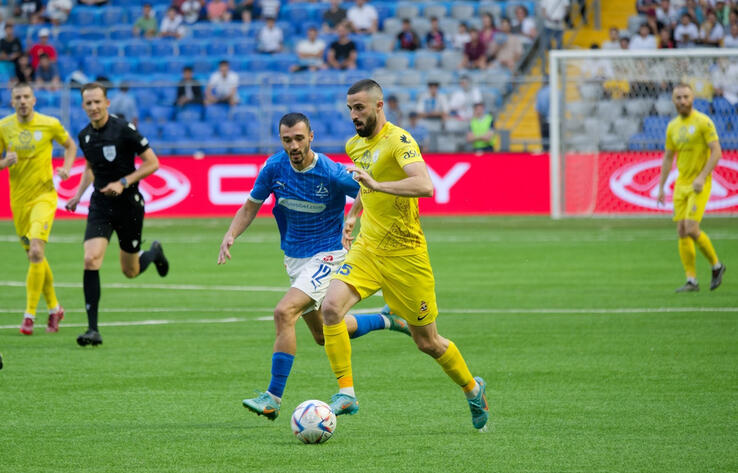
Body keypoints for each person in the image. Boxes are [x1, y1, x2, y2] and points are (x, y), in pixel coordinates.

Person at [319, 79, 489, 431]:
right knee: (330, 308)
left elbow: (424, 185)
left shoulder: (400, 141)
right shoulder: (354, 145)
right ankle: (346, 392)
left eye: (360, 108)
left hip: (406, 256)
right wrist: (353, 216)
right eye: (350, 108)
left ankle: (473, 389)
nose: (354, 115)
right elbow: (367, 185)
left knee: (428, 342)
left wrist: (379, 185)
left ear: (379, 106)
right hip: (368, 248)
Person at [218, 112, 411, 421]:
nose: (293, 145)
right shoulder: (274, 168)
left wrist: (353, 219)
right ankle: (389, 321)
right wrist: (231, 234)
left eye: (298, 138)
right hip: (295, 260)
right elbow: (250, 206)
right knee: (324, 334)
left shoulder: (331, 173)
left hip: (328, 256)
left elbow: (367, 190)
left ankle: (272, 398)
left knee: (284, 312)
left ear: (311, 137)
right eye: (286, 140)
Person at [65, 82, 170, 346]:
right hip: (101, 205)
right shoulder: (84, 135)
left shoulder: (124, 130)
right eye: (88, 103)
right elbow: (90, 166)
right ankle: (92, 330)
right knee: (91, 259)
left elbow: (152, 163)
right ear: (83, 106)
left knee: (130, 271)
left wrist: (124, 182)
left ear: (107, 103)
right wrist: (78, 195)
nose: (93, 107)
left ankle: (154, 252)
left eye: (97, 102)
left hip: (129, 205)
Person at [0, 83, 76, 336]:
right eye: (17, 97)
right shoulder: (4, 127)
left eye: (26, 97)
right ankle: (55, 308)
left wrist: (66, 167)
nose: (22, 101)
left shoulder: (49, 124)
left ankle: (29, 315)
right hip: (19, 202)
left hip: (44, 196)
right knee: (36, 257)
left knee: (35, 251)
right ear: (12, 102)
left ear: (34, 100)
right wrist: (3, 163)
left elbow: (70, 146)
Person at [656, 83, 726, 293]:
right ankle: (691, 280)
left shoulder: (704, 122)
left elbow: (716, 152)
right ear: (673, 100)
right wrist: (661, 187)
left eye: (686, 97)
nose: (682, 101)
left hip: (699, 184)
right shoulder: (672, 126)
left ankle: (716, 265)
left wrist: (702, 177)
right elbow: (668, 158)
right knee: (681, 231)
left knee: (691, 228)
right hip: (681, 184)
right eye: (678, 97)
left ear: (693, 98)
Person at [536, 80, 550, 151]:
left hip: (544, 121)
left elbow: (538, 110)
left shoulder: (541, 93)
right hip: (557, 121)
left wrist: (540, 123)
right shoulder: (558, 92)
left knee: (546, 146)